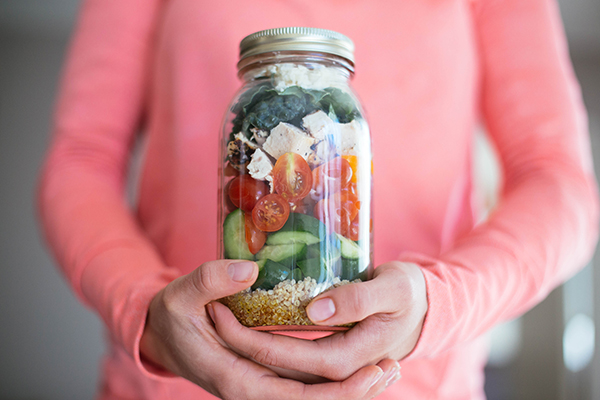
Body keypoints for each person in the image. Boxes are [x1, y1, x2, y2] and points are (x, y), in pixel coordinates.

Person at [37, 0, 599, 399]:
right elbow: (80, 161)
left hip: (411, 385)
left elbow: (560, 181)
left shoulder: (342, 107)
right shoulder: (251, 102)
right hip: (177, 382)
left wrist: (439, 302)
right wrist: (146, 314)